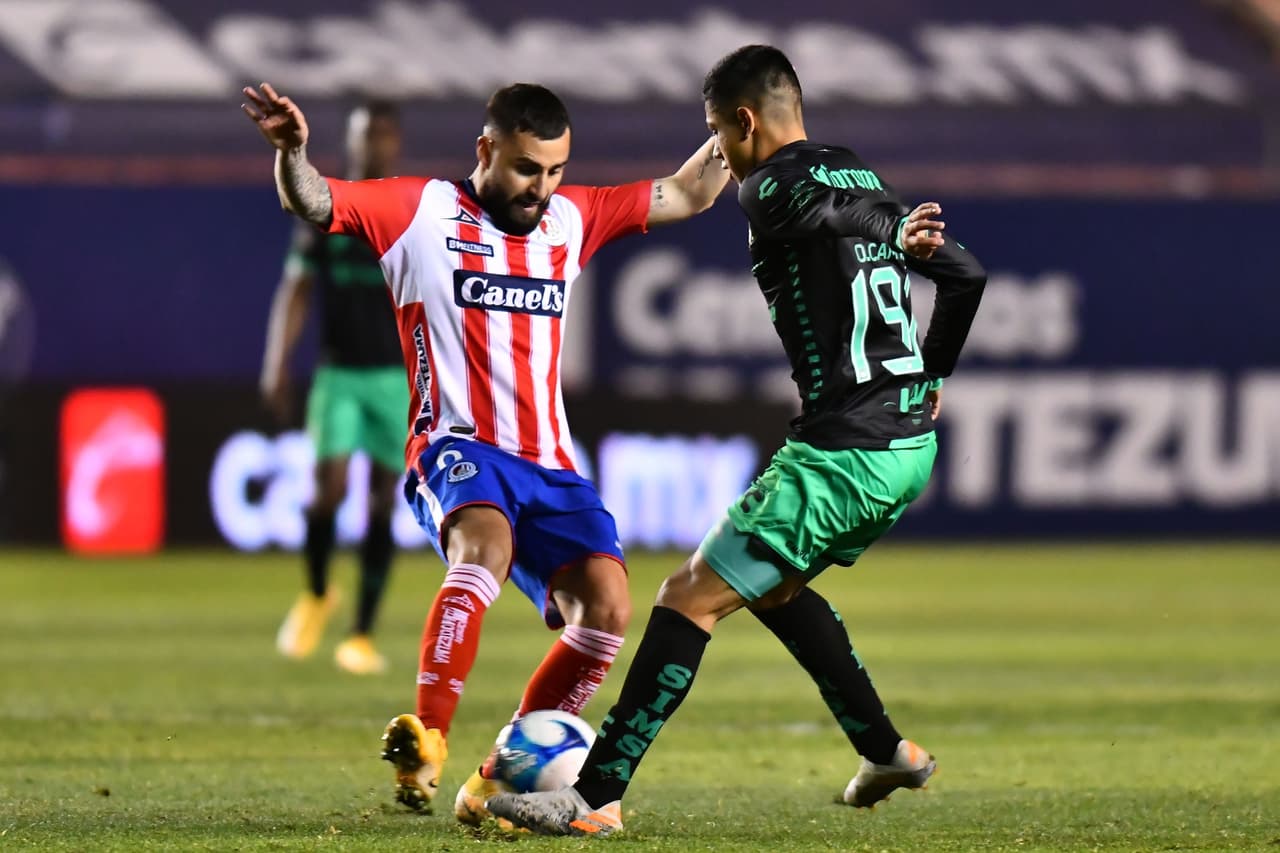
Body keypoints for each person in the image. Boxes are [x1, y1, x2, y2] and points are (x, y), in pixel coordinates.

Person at [486, 44, 988, 837]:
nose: (717, 149)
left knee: (687, 596)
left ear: (745, 122)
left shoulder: (779, 185)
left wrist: (893, 230)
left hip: (843, 455)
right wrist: (930, 375)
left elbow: (818, 214)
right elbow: (967, 277)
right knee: (776, 588)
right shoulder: (861, 170)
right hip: (907, 445)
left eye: (717, 132)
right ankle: (886, 748)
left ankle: (593, 795)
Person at [241, 80, 729, 821]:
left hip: (553, 463)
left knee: (607, 606)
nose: (543, 188)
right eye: (528, 169)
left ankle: (496, 778)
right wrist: (292, 152)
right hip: (457, 447)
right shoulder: (419, 211)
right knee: (484, 551)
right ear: (486, 149)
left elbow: (688, 192)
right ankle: (427, 741)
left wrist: (739, 127)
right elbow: (313, 200)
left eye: (557, 170)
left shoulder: (572, 218)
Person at [263, 100, 406, 676]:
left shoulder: (407, 209)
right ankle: (318, 592)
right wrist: (277, 360)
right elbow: (296, 289)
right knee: (329, 487)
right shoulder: (327, 206)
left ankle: (363, 633)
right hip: (339, 372)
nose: (375, 144)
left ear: (396, 142)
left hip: (397, 377)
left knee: (381, 500)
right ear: (350, 139)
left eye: (383, 135)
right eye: (365, 134)